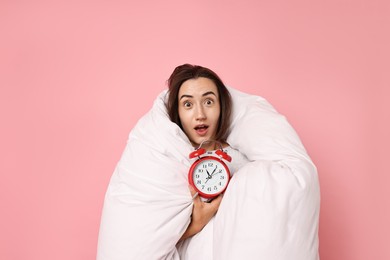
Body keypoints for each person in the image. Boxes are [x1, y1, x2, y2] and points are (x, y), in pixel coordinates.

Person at [165, 64, 249, 244]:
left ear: (222, 106)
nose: (200, 114)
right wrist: (197, 223)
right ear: (177, 112)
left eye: (208, 102)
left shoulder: (240, 160)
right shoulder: (167, 159)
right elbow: (148, 238)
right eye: (188, 104)